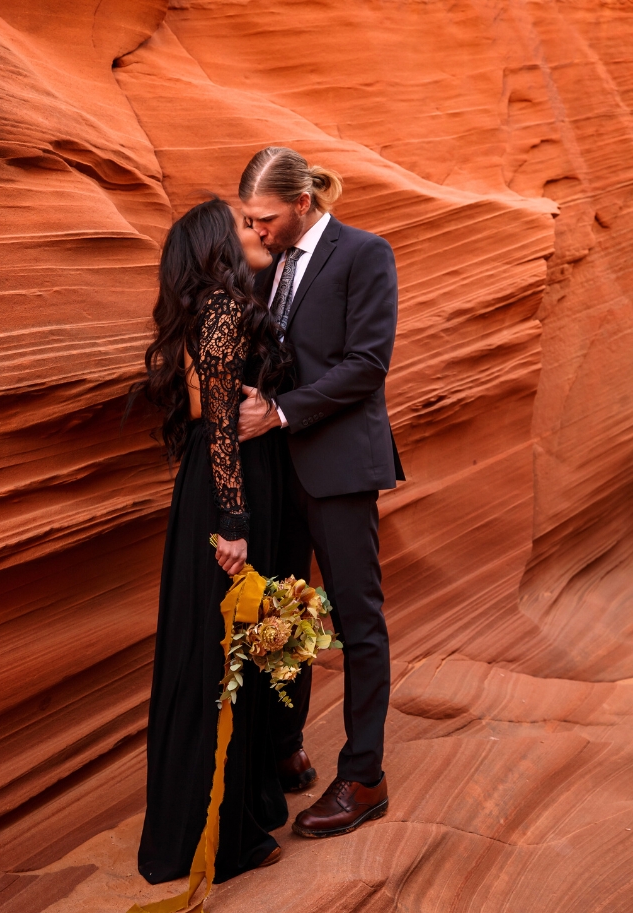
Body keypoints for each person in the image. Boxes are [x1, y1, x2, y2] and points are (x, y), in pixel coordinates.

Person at [237, 147, 405, 838]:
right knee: (285, 611)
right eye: (249, 217)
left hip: (337, 465)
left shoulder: (365, 253)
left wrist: (278, 411)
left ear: (302, 204)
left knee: (357, 622)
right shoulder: (265, 261)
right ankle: (284, 745)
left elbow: (368, 364)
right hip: (275, 470)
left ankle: (365, 775)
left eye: (265, 217)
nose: (256, 229)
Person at [134, 198, 293, 884]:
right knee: (221, 654)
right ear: (215, 245)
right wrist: (233, 523)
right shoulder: (225, 307)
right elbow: (223, 420)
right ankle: (220, 837)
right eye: (243, 224)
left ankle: (227, 810)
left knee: (218, 650)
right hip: (227, 489)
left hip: (218, 481)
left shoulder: (217, 306)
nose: (258, 230)